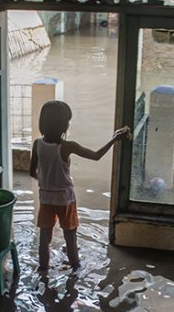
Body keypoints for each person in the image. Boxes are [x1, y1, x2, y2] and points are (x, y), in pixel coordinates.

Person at [29, 100, 130, 271]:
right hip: (66, 199)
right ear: (63, 125)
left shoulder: (37, 144)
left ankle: (43, 272)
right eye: (67, 120)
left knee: (44, 240)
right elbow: (96, 155)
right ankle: (75, 269)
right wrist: (114, 139)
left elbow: (32, 172)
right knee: (70, 238)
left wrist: (47, 182)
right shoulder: (67, 146)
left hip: (46, 198)